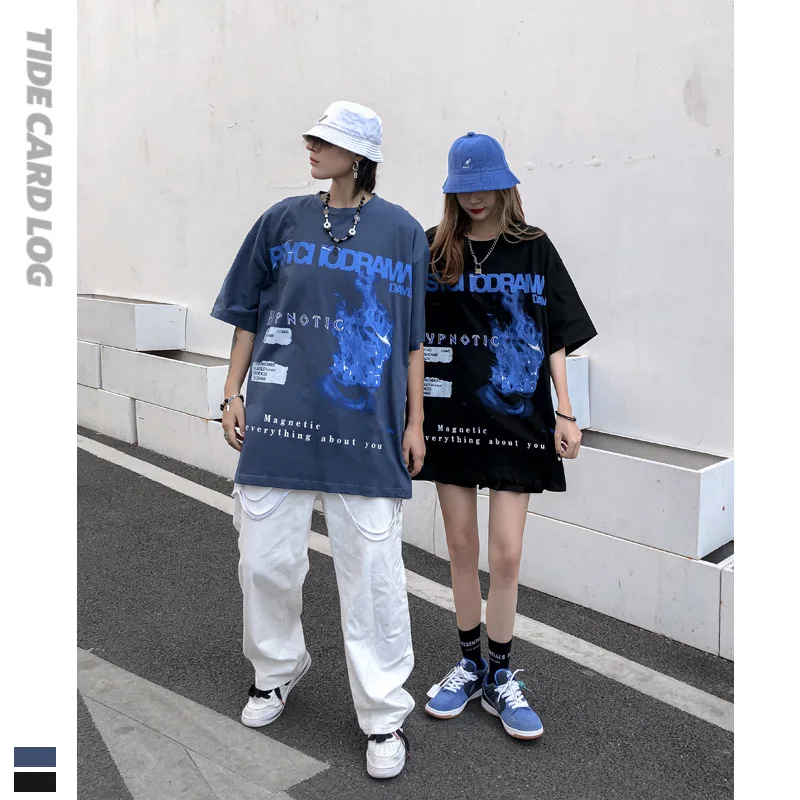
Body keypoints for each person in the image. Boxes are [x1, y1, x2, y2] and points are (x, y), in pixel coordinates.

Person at [210, 101, 428, 779]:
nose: (310, 145)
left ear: (358, 156)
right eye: (311, 136)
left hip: (367, 432)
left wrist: (416, 422)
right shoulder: (281, 220)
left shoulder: (402, 233)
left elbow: (412, 339)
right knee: (263, 562)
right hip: (279, 422)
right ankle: (277, 668)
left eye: (324, 139)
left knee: (374, 578)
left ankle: (384, 714)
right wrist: (231, 393)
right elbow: (247, 315)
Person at [417, 132, 596, 740]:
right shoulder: (433, 249)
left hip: (518, 419)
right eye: (464, 189)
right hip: (449, 416)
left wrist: (565, 411)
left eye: (485, 186)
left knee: (507, 553)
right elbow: (408, 335)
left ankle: (500, 673)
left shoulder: (533, 247)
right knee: (461, 546)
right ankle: (470, 664)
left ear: (505, 185)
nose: (475, 199)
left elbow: (555, 334)